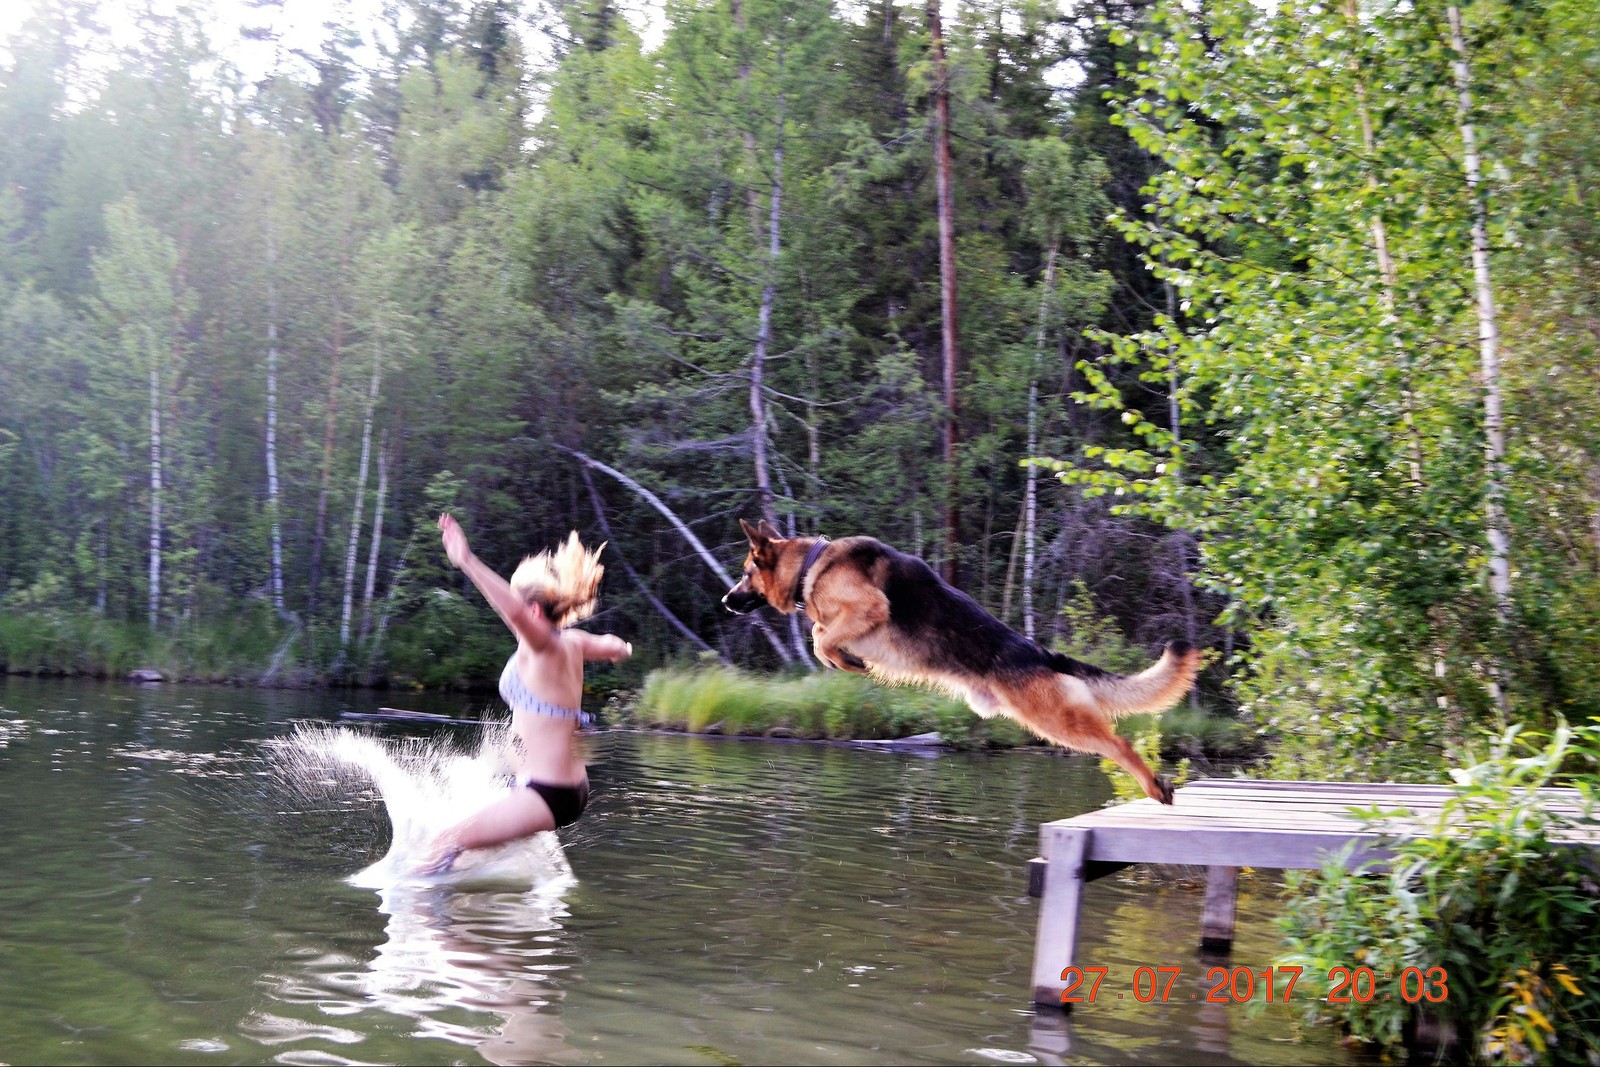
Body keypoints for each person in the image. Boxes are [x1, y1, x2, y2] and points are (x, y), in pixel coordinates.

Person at [416, 513, 632, 875]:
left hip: (546, 794)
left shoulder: (542, 645)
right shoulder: (574, 641)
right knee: (464, 857)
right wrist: (622, 649)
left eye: (519, 609)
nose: (511, 618)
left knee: (444, 842)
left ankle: (417, 922)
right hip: (565, 789)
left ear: (533, 611)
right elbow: (612, 646)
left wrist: (466, 560)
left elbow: (513, 610)